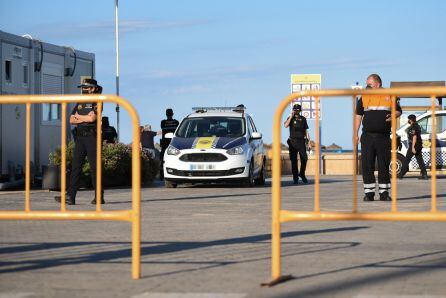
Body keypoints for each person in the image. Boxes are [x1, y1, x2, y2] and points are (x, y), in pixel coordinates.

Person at [55, 78, 104, 205]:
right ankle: (70, 197)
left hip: (92, 137)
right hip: (80, 138)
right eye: (82, 87)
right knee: (76, 167)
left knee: (95, 168)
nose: (83, 90)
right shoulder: (80, 102)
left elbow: (92, 118)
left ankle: (99, 196)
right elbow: (71, 119)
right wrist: (84, 118)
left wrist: (80, 117)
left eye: (86, 87)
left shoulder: (97, 100)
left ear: (93, 88)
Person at [355, 74, 402, 201]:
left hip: (383, 137)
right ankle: (369, 193)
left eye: (369, 84)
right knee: (367, 165)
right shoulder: (363, 97)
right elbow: (358, 116)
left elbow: (398, 111)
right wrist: (355, 134)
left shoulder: (390, 95)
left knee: (383, 165)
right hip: (367, 136)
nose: (367, 86)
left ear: (378, 84)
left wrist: (393, 115)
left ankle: (384, 193)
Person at [284, 103, 311, 184]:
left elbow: (306, 131)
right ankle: (295, 178)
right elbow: (285, 125)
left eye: (297, 109)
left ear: (300, 110)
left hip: (301, 141)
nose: (296, 111)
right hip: (292, 141)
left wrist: (309, 143)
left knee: (304, 158)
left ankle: (302, 174)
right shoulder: (290, 118)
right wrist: (291, 116)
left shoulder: (303, 119)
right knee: (294, 161)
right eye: (294, 109)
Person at [398, 114, 428, 180]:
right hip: (419, 145)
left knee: (406, 160)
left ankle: (401, 174)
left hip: (414, 145)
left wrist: (413, 147)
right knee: (420, 160)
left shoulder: (413, 127)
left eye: (408, 119)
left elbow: (414, 137)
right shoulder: (417, 126)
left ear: (410, 119)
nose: (408, 120)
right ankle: (424, 174)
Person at [160, 108, 179, 179]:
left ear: (166, 114)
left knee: (162, 158)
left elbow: (163, 129)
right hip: (174, 143)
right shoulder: (176, 122)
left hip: (165, 142)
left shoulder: (163, 122)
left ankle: (162, 174)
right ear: (172, 114)